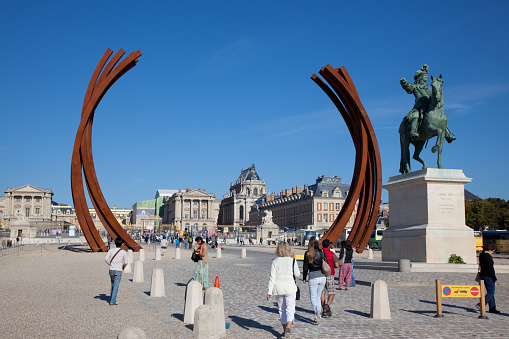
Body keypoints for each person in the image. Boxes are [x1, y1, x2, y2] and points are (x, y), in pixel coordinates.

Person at [267, 242, 300, 339]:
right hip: (290, 286)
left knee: (282, 309)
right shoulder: (292, 261)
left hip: (279, 287)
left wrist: (269, 291)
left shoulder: (275, 262)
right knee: (290, 309)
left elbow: (272, 278)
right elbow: (297, 274)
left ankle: (285, 329)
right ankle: (289, 327)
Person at [302, 236, 326, 323]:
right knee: (318, 297)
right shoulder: (321, 252)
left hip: (313, 276)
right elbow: (325, 263)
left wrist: (304, 277)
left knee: (313, 297)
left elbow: (305, 267)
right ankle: (317, 317)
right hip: (322, 276)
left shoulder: (308, 253)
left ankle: (317, 311)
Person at [104, 237, 128, 305]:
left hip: (111, 269)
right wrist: (123, 267)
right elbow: (126, 262)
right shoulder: (123, 252)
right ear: (122, 244)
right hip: (118, 270)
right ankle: (113, 301)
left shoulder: (111, 250)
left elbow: (106, 259)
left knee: (112, 284)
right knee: (116, 286)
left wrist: (110, 263)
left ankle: (112, 298)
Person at [477, 244, 500, 313]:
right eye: (493, 251)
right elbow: (490, 268)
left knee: (490, 292)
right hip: (488, 276)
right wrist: (494, 278)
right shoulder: (487, 257)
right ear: (490, 250)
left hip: (482, 275)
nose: (493, 252)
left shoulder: (482, 255)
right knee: (491, 292)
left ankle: (492, 307)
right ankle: (481, 304)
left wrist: (491, 257)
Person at [320, 239, 339, 318]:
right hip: (330, 274)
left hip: (321, 274)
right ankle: (327, 305)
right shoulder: (331, 253)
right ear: (329, 245)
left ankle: (324, 310)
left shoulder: (319, 253)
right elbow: (337, 265)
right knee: (331, 292)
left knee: (322, 293)